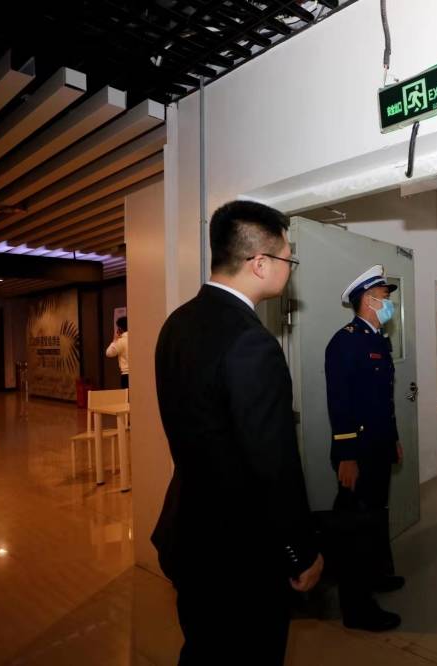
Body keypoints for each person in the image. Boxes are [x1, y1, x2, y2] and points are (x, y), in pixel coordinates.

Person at [152, 200, 323, 666]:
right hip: (240, 556)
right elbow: (274, 465)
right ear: (260, 263)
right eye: (288, 258)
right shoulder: (252, 342)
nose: (290, 269)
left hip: (190, 536)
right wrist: (301, 552)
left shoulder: (176, 324)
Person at [324, 265, 404, 632]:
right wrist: (346, 456)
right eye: (385, 298)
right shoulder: (345, 341)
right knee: (356, 527)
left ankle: (376, 576)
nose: (389, 304)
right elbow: (339, 404)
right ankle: (357, 608)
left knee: (373, 517)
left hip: (379, 446)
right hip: (357, 452)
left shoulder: (378, 339)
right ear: (368, 301)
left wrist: (394, 438)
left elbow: (383, 400)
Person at [105, 316, 129, 389]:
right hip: (138, 373)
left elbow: (108, 353)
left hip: (126, 375)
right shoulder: (135, 338)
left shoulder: (120, 341)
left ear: (119, 329)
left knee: (127, 395)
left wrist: (114, 339)